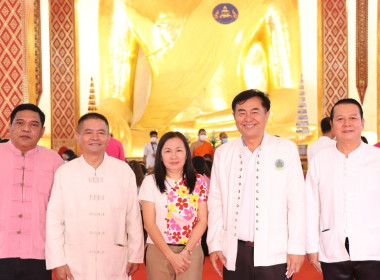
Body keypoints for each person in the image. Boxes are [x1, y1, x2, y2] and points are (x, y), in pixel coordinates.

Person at [207, 89, 305, 280]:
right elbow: (215, 202)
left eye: (255, 111)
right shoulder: (223, 153)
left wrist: (297, 247)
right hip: (235, 251)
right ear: (234, 116)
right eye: (241, 112)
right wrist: (214, 244)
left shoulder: (285, 149)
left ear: (267, 115)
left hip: (276, 251)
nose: (248, 118)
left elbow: (297, 202)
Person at [45, 112, 144, 280]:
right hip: (76, 259)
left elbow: (133, 217)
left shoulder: (123, 171)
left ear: (108, 137)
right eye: (89, 132)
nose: (95, 137)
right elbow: (55, 219)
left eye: (101, 133)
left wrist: (135, 254)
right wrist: (58, 260)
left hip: (114, 257)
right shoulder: (65, 172)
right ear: (78, 137)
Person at [306, 98, 380, 280]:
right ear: (332, 125)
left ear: (362, 123)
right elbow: (311, 205)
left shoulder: (376, 158)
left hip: (373, 248)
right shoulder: (320, 160)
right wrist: (311, 247)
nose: (347, 124)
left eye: (353, 118)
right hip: (332, 247)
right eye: (340, 119)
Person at [0, 103, 63, 280]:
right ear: (10, 126)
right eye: (20, 123)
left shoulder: (53, 160)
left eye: (33, 125)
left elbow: (61, 209)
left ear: (42, 131)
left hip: (38, 252)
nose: (26, 129)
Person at [139, 132, 208, 280]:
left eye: (179, 150)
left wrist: (185, 252)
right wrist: (170, 256)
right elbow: (148, 223)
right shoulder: (150, 182)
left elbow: (203, 221)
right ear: (160, 156)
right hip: (158, 250)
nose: (174, 156)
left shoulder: (199, 181)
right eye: (168, 151)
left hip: (191, 251)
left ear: (186, 154)